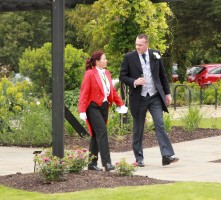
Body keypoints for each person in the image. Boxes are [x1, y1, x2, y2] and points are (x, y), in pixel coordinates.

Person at [119, 33, 179, 167]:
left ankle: (167, 155)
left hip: (155, 96)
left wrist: (167, 93)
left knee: (160, 124)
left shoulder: (155, 54)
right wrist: (134, 81)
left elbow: (162, 75)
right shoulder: (129, 57)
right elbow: (122, 76)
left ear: (147, 44)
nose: (137, 47)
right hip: (139, 98)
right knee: (138, 129)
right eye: (136, 44)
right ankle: (139, 158)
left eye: (140, 45)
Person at [78, 51, 128, 172]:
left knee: (96, 135)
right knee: (102, 133)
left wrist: (120, 103)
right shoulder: (90, 74)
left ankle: (91, 164)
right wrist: (82, 110)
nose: (106, 61)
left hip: (104, 106)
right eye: (104, 59)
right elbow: (84, 93)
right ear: (97, 62)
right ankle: (107, 163)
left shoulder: (107, 73)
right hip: (93, 107)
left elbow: (112, 91)